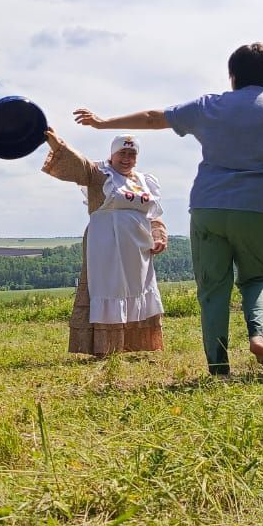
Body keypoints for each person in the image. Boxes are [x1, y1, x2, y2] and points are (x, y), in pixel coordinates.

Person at [74, 42, 263, 375]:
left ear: (232, 76)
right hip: (258, 209)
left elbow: (153, 117)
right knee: (256, 278)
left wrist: (103, 123)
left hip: (209, 207)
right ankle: (257, 334)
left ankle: (218, 365)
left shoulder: (209, 106)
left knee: (213, 287)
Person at [42, 128, 167, 356]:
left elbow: (153, 215)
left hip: (138, 249)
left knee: (139, 289)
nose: (127, 159)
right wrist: (56, 143)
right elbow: (78, 163)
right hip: (106, 245)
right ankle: (106, 347)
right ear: (112, 154)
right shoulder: (100, 173)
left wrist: (158, 235)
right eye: (122, 153)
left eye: (132, 154)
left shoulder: (144, 181)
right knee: (108, 288)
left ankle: (136, 344)